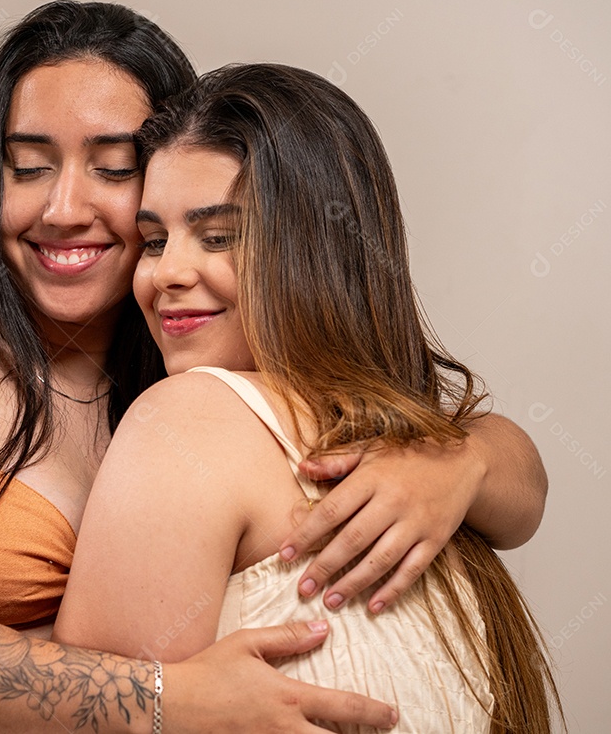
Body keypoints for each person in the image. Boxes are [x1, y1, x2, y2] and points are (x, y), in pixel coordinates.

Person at [0, 1, 547, 733]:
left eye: (111, 167)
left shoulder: (191, 391)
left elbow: (512, 479)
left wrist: (465, 459)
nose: (63, 207)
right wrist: (172, 699)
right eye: (28, 165)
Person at [54, 63, 562, 732]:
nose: (166, 273)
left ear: (316, 247)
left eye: (220, 236)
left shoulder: (187, 420)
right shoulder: (424, 446)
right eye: (155, 239)